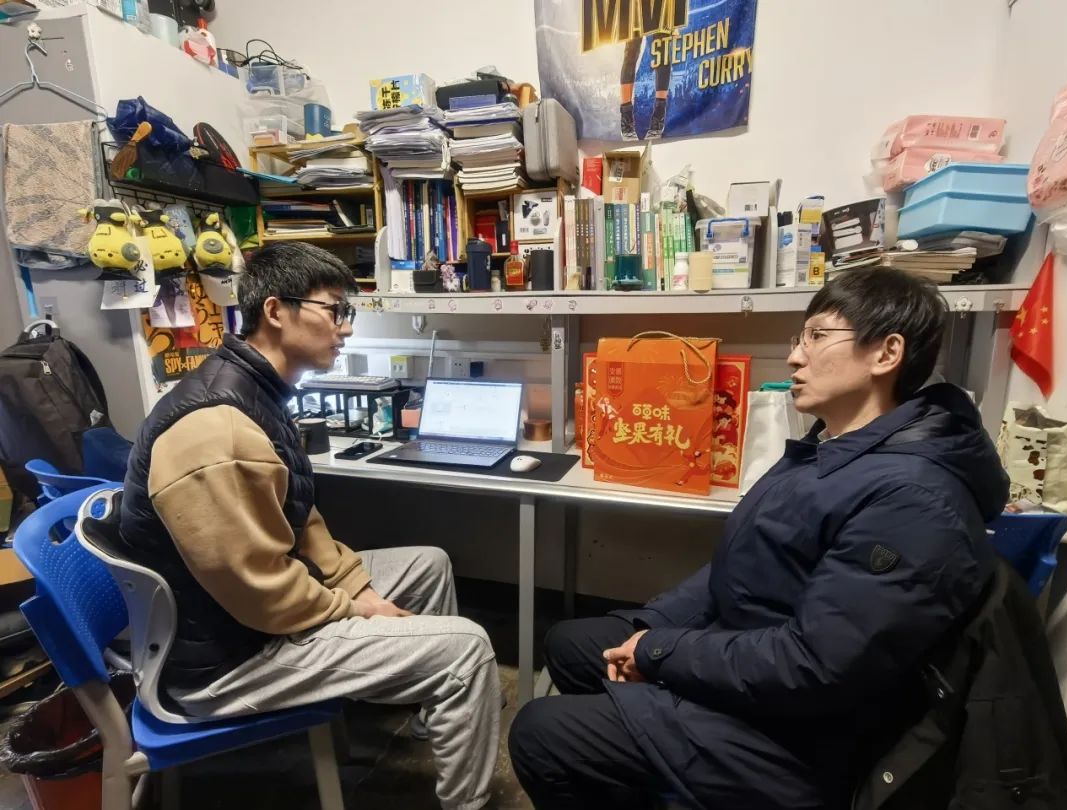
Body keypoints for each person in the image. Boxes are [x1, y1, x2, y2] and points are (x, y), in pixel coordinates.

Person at [509, 266, 1009, 809]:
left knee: (542, 732)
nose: (794, 356)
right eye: (800, 338)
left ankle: (647, 755)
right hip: (754, 656)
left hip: (795, 740)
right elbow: (740, 566)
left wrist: (659, 653)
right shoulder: (833, 447)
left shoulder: (912, 500)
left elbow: (816, 665)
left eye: (817, 336)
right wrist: (653, 627)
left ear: (886, 353)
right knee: (572, 644)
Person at [120, 242, 499, 810]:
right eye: (335, 310)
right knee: (468, 649)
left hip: (251, 618)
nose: (345, 328)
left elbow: (301, 520)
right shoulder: (216, 427)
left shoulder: (258, 392)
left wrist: (356, 587)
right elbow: (259, 591)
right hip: (229, 660)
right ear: (276, 311)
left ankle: (433, 712)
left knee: (428, 563)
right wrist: (352, 608)